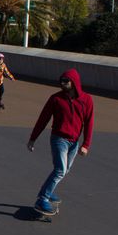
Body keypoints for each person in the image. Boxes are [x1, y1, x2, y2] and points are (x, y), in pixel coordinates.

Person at [27, 69, 94, 216]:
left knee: (65, 170)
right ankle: (42, 198)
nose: (62, 84)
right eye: (61, 81)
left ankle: (48, 191)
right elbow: (43, 119)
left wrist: (86, 144)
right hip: (59, 139)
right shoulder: (55, 99)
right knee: (60, 170)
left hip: (74, 142)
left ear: (74, 83)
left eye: (66, 81)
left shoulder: (87, 100)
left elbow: (89, 123)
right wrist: (33, 138)